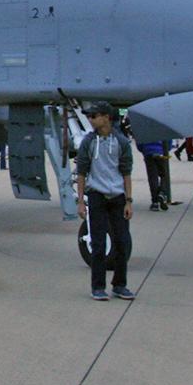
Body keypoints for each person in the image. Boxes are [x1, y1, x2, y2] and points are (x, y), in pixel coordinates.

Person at [73, 102, 135, 301]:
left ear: (106, 117)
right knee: (98, 244)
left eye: (94, 116)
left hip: (117, 197)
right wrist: (81, 201)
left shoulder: (122, 142)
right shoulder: (88, 142)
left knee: (122, 243)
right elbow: (81, 172)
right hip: (97, 196)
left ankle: (120, 284)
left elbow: (126, 172)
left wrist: (129, 200)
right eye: (90, 117)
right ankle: (97, 287)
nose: (91, 120)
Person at [135, 136, 172, 210]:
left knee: (152, 177)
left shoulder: (144, 127)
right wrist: (166, 149)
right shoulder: (163, 127)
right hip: (161, 151)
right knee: (164, 175)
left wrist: (144, 149)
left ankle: (155, 202)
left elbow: (139, 142)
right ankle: (162, 192)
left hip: (148, 152)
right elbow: (169, 141)